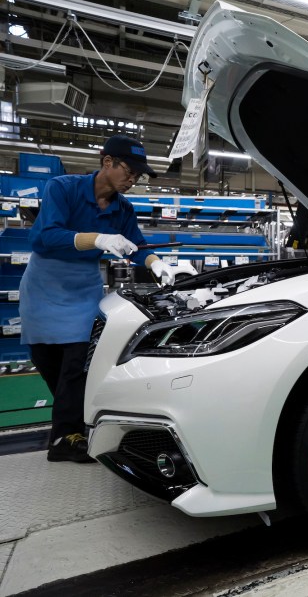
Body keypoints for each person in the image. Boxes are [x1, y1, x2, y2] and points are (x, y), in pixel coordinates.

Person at [18, 134, 194, 463]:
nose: (133, 179)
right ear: (107, 162)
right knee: (49, 365)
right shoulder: (63, 188)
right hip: (44, 286)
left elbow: (137, 245)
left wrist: (159, 266)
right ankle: (72, 427)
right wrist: (97, 238)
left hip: (83, 291)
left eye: (138, 175)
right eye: (129, 170)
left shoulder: (122, 208)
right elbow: (43, 237)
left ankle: (64, 439)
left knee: (77, 363)